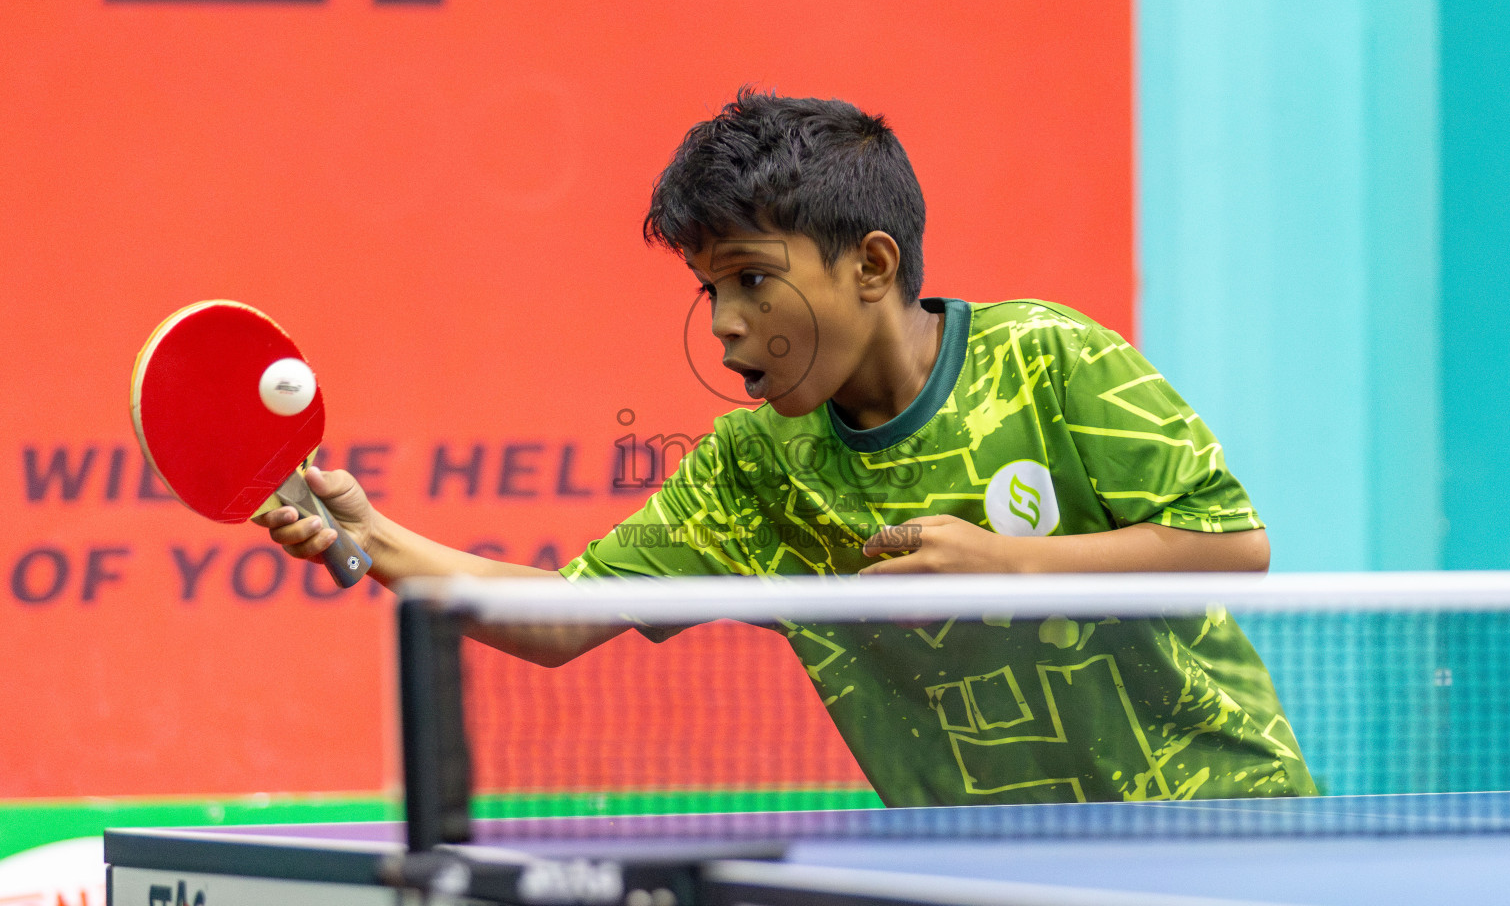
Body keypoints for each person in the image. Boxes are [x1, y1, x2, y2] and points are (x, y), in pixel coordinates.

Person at [258, 90, 1315, 805]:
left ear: (871, 263)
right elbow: (560, 622)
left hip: (1226, 828)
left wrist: (1012, 561)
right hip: (996, 861)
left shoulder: (1048, 360)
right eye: (709, 288)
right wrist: (370, 539)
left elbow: (1232, 546)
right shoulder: (754, 469)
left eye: (752, 278)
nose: (722, 321)